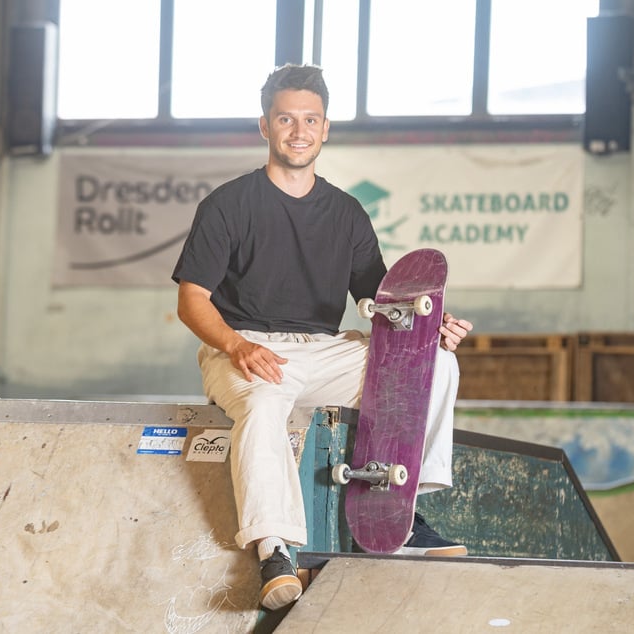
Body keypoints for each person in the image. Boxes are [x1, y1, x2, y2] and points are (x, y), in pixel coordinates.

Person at [172, 63, 473, 612]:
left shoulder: (347, 213)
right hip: (242, 345)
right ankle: (275, 548)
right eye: (286, 118)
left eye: (310, 119)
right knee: (263, 405)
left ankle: (399, 505)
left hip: (324, 349)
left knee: (434, 365)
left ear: (326, 128)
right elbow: (191, 300)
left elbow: (384, 305)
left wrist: (432, 328)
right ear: (265, 126)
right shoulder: (229, 205)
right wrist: (238, 346)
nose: (298, 130)